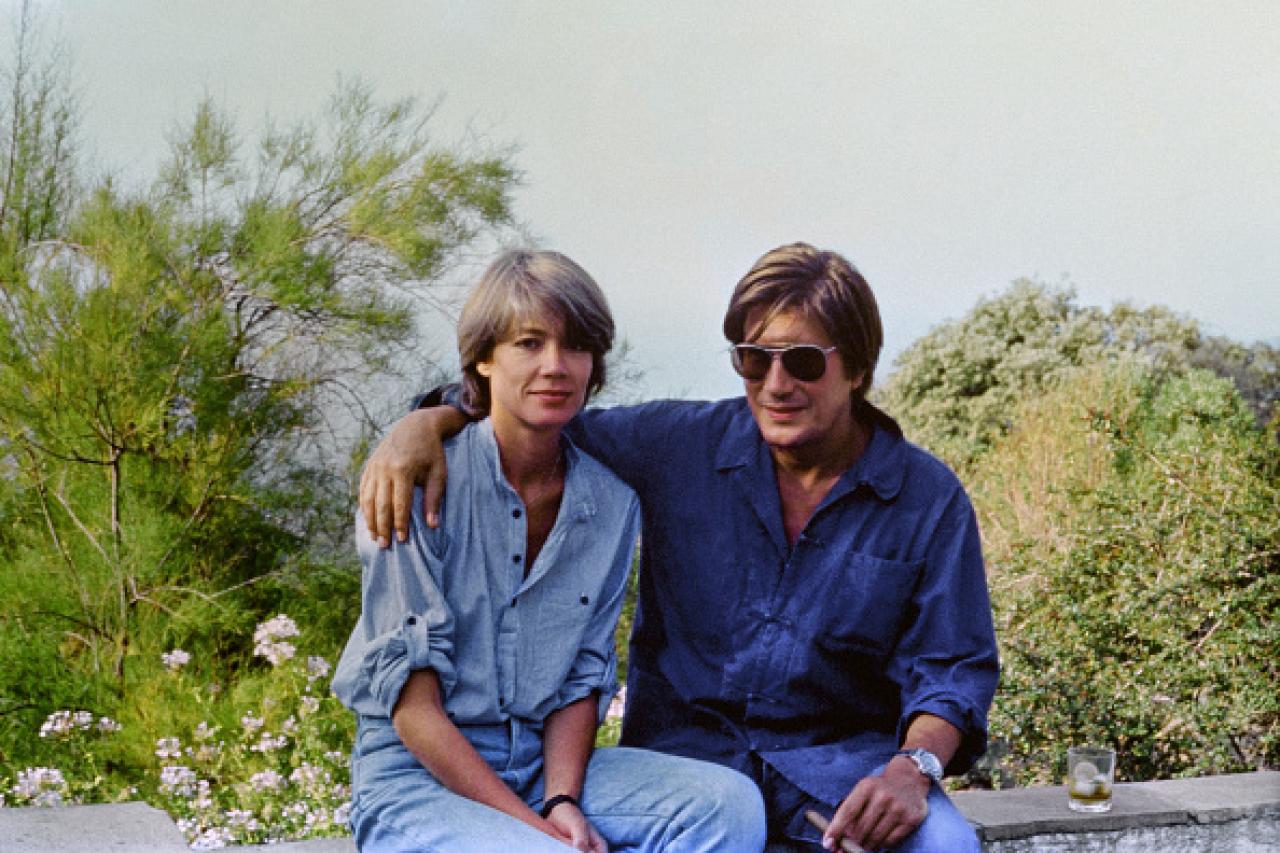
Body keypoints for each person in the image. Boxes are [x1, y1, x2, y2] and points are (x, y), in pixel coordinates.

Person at [360, 243, 999, 852]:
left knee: (943, 843)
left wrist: (911, 770)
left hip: (835, 772)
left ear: (858, 368)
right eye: (754, 359)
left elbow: (954, 668)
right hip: (690, 759)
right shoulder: (676, 445)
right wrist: (425, 423)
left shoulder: (925, 498)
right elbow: (537, 414)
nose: (776, 384)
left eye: (803, 360)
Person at [332, 249, 766, 853]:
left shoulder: (611, 505)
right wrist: (536, 831)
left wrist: (561, 800)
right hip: (416, 782)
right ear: (482, 359)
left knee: (727, 806)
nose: (556, 366)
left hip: (542, 768)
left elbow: (580, 681)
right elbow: (414, 712)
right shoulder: (416, 481)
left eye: (576, 346)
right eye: (529, 344)